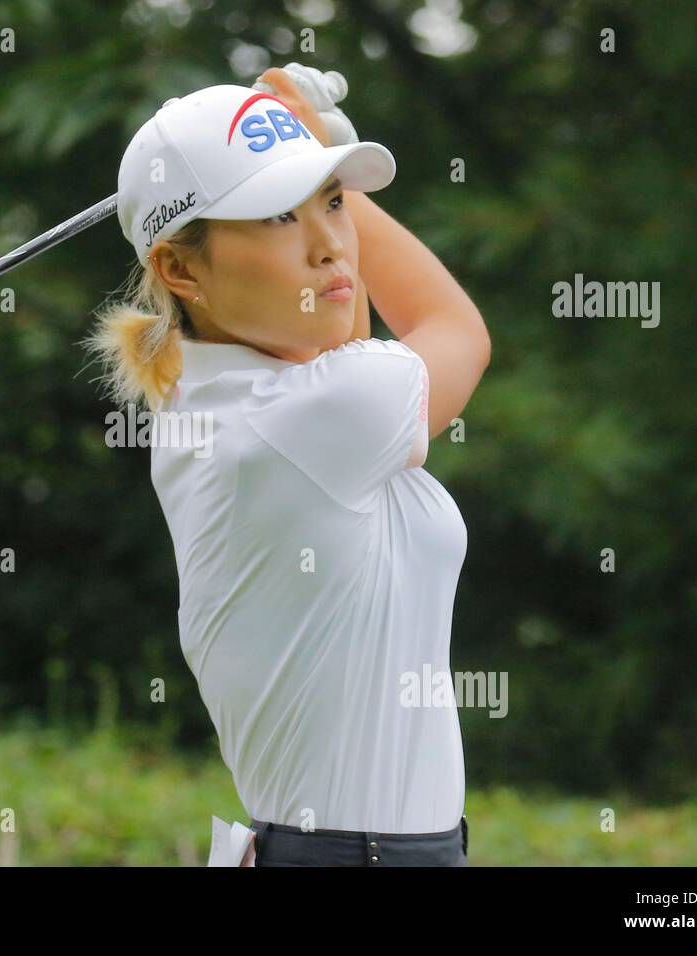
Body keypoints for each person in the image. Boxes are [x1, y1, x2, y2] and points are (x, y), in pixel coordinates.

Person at [86, 71, 491, 866]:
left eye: (333, 204)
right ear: (180, 271)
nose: (330, 243)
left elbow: (344, 334)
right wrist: (327, 147)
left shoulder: (229, 398)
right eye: (276, 215)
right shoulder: (302, 418)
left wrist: (318, 158)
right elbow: (454, 328)